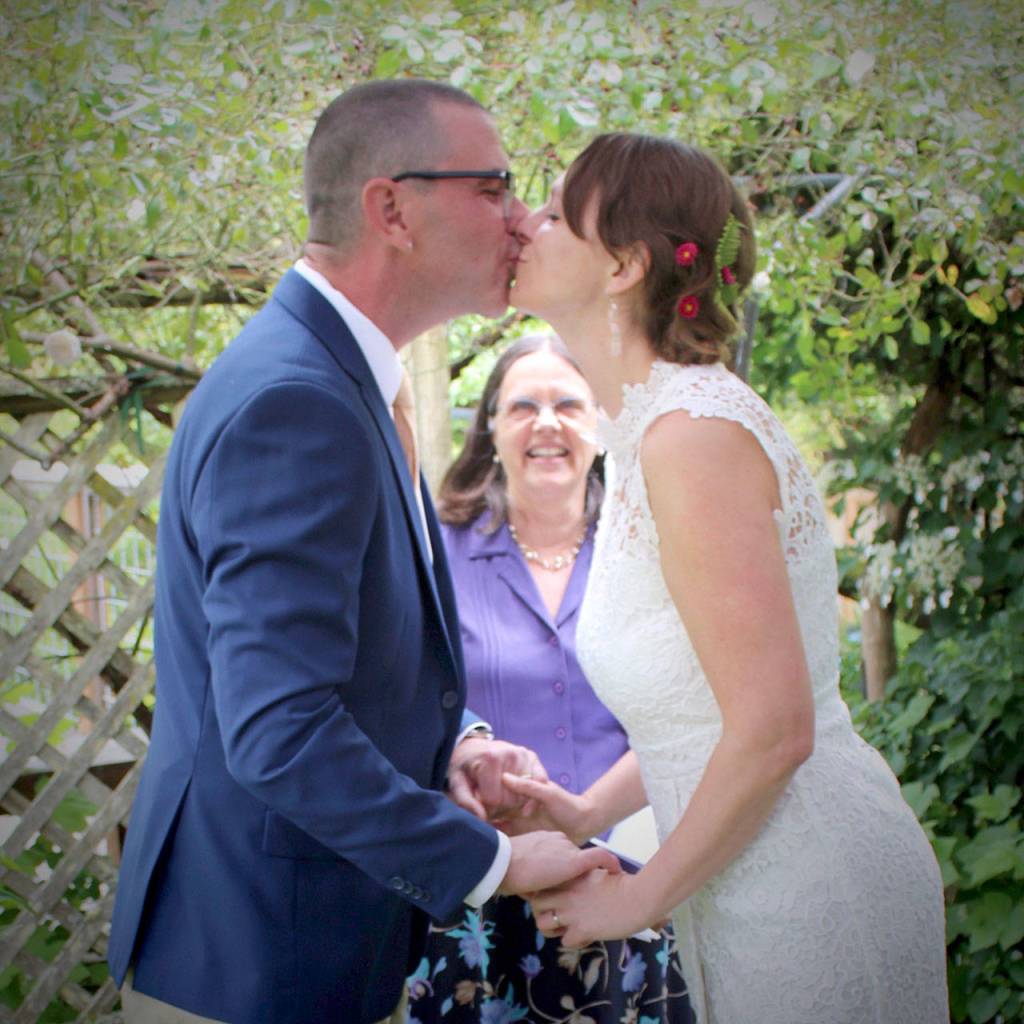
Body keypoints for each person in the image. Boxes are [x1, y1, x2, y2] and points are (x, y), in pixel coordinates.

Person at [105, 80, 619, 1024]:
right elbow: (278, 725)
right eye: (495, 186)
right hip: (258, 966)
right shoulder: (293, 400)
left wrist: (453, 744)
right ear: (393, 209)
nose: (519, 218)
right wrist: (495, 862)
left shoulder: (341, 379)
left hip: (300, 954)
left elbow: (343, 664)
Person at [501, 133, 950, 1024]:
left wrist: (637, 899)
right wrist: (586, 809)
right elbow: (707, 701)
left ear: (625, 264)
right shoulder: (641, 434)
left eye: (553, 212)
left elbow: (775, 728)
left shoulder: (692, 438)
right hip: (743, 883)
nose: (524, 224)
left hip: (813, 887)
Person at [406, 334, 692, 1023]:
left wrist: (599, 814)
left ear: (598, 424)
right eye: (522, 406)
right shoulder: (436, 551)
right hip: (484, 890)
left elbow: (684, 709)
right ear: (492, 432)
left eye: (567, 403)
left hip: (626, 880)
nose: (546, 422)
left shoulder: (650, 555)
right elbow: (407, 696)